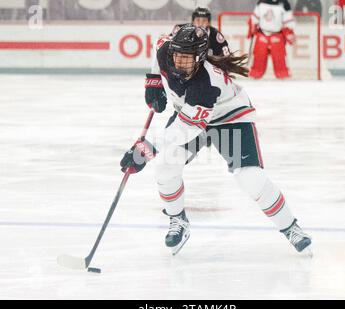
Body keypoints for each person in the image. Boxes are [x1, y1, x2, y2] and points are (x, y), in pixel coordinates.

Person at [120, 24, 312, 256]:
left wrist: (145, 149)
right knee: (166, 167)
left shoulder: (207, 83)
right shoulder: (165, 50)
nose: (179, 63)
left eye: (187, 59)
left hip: (229, 118)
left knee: (250, 178)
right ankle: (178, 219)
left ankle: (290, 227)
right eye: (177, 56)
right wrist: (153, 82)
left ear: (200, 58)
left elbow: (186, 129)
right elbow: (158, 46)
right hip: (189, 113)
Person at [248, 0, 296, 79]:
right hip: (262, 33)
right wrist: (252, 27)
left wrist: (289, 32)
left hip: (277, 34)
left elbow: (288, 21)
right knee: (258, 56)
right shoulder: (261, 2)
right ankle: (255, 75)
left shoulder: (284, 4)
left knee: (279, 58)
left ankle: (282, 76)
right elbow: (255, 18)